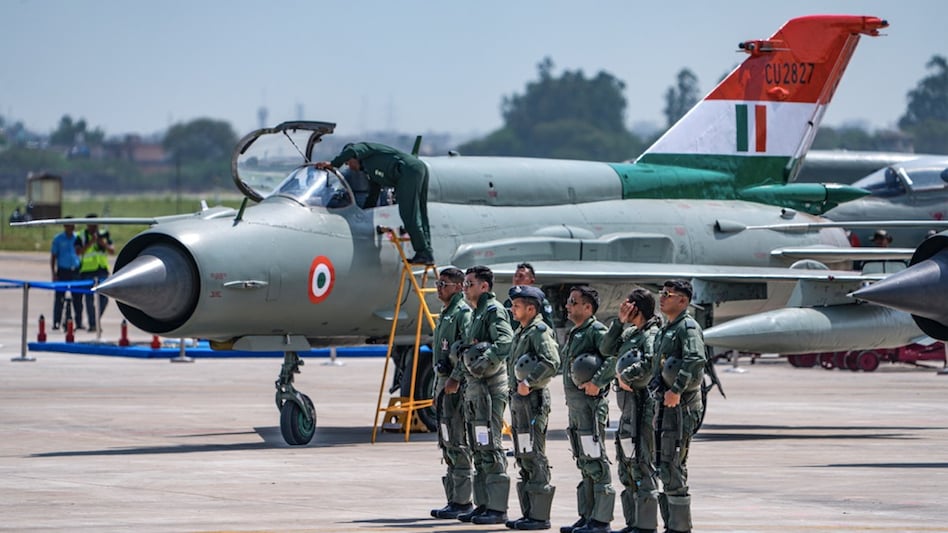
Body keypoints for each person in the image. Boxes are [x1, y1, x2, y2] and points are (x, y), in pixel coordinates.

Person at [444, 265, 513, 525]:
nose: (465, 288)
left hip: (489, 390)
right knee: (479, 447)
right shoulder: (476, 314)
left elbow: (505, 342)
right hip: (475, 391)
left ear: (484, 286)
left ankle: (497, 508)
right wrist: (457, 377)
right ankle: (484, 504)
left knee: (491, 446)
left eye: (469, 284)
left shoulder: (493, 312)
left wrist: (485, 360)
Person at [600, 288, 663, 533]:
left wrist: (625, 376)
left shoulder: (651, 334)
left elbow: (650, 362)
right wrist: (619, 322)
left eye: (628, 306)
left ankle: (645, 525)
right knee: (627, 463)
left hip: (642, 408)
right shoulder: (631, 332)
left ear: (637, 308)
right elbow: (607, 348)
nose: (623, 308)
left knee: (642, 463)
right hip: (628, 409)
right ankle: (633, 522)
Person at [316, 142, 433, 264]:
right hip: (415, 169)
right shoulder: (370, 171)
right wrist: (364, 212)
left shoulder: (365, 149)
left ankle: (422, 253)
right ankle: (427, 252)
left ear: (354, 157)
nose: (348, 166)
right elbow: (374, 193)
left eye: (347, 162)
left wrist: (333, 164)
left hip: (408, 171)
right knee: (421, 212)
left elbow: (352, 150)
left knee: (409, 214)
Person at [560, 285, 615, 533]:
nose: (568, 306)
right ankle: (588, 516)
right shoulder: (576, 332)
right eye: (569, 302)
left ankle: (601, 520)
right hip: (577, 407)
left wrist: (598, 382)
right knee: (584, 461)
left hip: (591, 408)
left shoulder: (596, 331)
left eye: (573, 302)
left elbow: (614, 358)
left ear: (588, 307)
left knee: (595, 460)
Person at [505, 285, 560, 531]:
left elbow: (552, 361)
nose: (513, 309)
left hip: (533, 401)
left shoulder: (539, 331)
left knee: (535, 456)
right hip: (519, 402)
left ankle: (539, 516)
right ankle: (529, 513)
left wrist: (529, 382)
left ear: (531, 308)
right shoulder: (522, 331)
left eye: (517, 305)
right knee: (523, 454)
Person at [653, 280, 706, 533]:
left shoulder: (688, 327)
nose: (662, 298)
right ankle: (671, 525)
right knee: (663, 463)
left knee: (673, 464)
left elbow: (696, 359)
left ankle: (680, 528)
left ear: (682, 301)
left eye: (668, 295)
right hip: (667, 407)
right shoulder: (667, 329)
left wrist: (676, 389)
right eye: (661, 293)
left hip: (682, 406)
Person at [429, 267, 474, 520]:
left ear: (458, 287)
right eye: (438, 283)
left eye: (443, 284)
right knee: (448, 441)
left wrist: (456, 378)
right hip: (443, 384)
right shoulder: (446, 314)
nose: (438, 288)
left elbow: (466, 349)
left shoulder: (462, 314)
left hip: (454, 387)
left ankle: (463, 501)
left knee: (457, 441)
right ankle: (454, 500)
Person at [78, 214, 115, 332]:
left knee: (104, 298)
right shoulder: (81, 236)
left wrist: (101, 242)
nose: (94, 226)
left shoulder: (104, 234)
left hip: (102, 270)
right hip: (87, 270)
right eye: (91, 224)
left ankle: (95, 320)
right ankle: (92, 324)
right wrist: (90, 242)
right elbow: (78, 252)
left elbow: (112, 250)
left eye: (96, 224)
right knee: (89, 299)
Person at [50, 219, 84, 329]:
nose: (72, 228)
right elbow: (54, 256)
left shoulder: (77, 237)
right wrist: (54, 273)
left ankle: (79, 323)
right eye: (69, 226)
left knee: (78, 298)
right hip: (63, 271)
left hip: (75, 271)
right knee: (59, 297)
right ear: (65, 226)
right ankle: (56, 322)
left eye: (73, 225)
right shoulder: (58, 239)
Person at [503, 262, 554, 331]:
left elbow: (549, 327)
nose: (516, 279)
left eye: (521, 276)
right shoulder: (508, 303)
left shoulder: (540, 302)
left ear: (531, 280)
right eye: (515, 276)